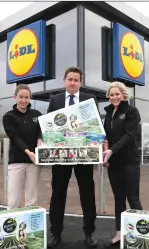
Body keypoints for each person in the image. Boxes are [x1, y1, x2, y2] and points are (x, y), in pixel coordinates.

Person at [47, 66, 98, 248]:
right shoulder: (55, 100)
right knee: (58, 193)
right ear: (64, 80)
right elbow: (49, 127)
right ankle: (55, 233)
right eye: (70, 79)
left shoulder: (89, 100)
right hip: (61, 157)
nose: (73, 82)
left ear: (80, 82)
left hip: (83, 156)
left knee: (87, 194)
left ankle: (90, 232)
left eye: (76, 80)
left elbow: (95, 127)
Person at [101, 81, 143, 248]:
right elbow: (105, 136)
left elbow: (129, 135)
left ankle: (142, 234)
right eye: (111, 95)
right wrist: (106, 152)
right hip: (114, 164)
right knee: (119, 199)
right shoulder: (108, 113)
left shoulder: (132, 112)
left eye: (117, 94)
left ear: (124, 95)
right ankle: (119, 233)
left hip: (129, 162)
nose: (114, 97)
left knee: (133, 198)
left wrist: (112, 150)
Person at [2, 84, 43, 210]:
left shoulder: (37, 114)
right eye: (21, 97)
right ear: (15, 97)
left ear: (30, 98)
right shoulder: (8, 116)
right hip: (16, 162)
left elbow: (42, 130)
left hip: (34, 162)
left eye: (27, 97)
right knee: (13, 199)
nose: (23, 100)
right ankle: (11, 227)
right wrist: (28, 152)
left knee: (32, 199)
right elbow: (14, 137)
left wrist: (40, 138)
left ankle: (30, 228)